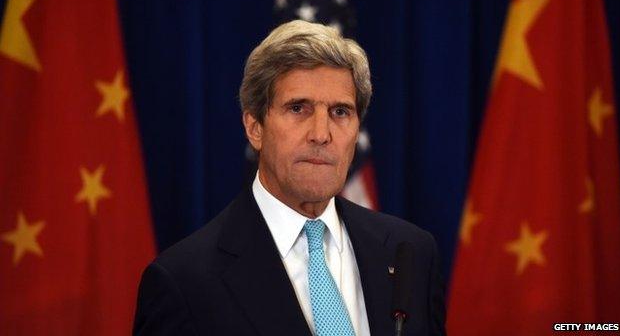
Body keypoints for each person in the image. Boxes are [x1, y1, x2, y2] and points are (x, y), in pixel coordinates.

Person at [133, 20, 446, 336]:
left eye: (340, 112)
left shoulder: (411, 254)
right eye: (298, 108)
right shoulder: (184, 284)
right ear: (255, 127)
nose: (321, 134)